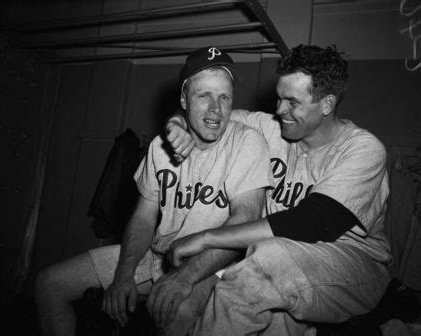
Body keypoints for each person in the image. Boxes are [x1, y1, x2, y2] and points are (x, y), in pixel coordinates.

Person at [34, 46, 272, 336]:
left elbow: (245, 219)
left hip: (212, 265)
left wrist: (183, 278)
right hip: (158, 255)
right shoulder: (161, 147)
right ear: (184, 99)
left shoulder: (247, 142)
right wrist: (123, 275)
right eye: (204, 95)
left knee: (176, 313)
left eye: (224, 97)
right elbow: (144, 216)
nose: (215, 109)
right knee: (48, 284)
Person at [165, 44, 391, 335]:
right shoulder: (273, 128)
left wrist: (208, 237)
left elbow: (312, 222)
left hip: (354, 264)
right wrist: (176, 123)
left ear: (327, 104)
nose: (279, 109)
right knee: (269, 314)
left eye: (292, 102)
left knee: (266, 263)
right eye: (279, 98)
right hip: (286, 254)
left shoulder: (363, 149)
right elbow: (208, 113)